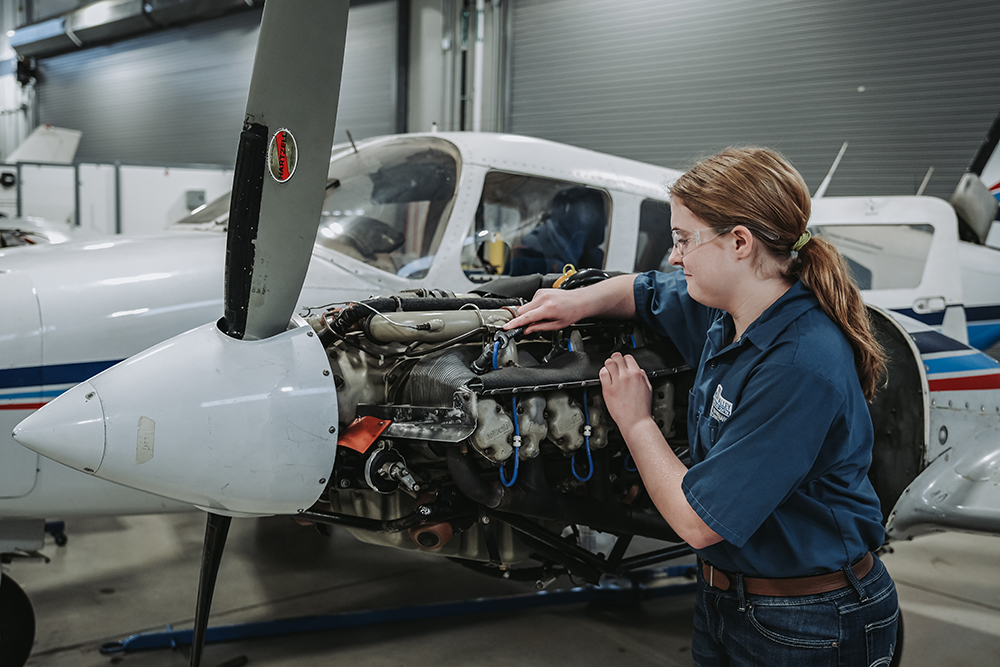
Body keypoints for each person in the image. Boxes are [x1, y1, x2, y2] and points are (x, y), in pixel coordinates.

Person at [504, 147, 899, 666]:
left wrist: (635, 419)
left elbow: (697, 522)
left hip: (810, 619)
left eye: (684, 240)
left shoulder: (798, 364)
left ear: (740, 242)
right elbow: (643, 291)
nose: (675, 257)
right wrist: (571, 302)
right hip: (729, 598)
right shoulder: (732, 310)